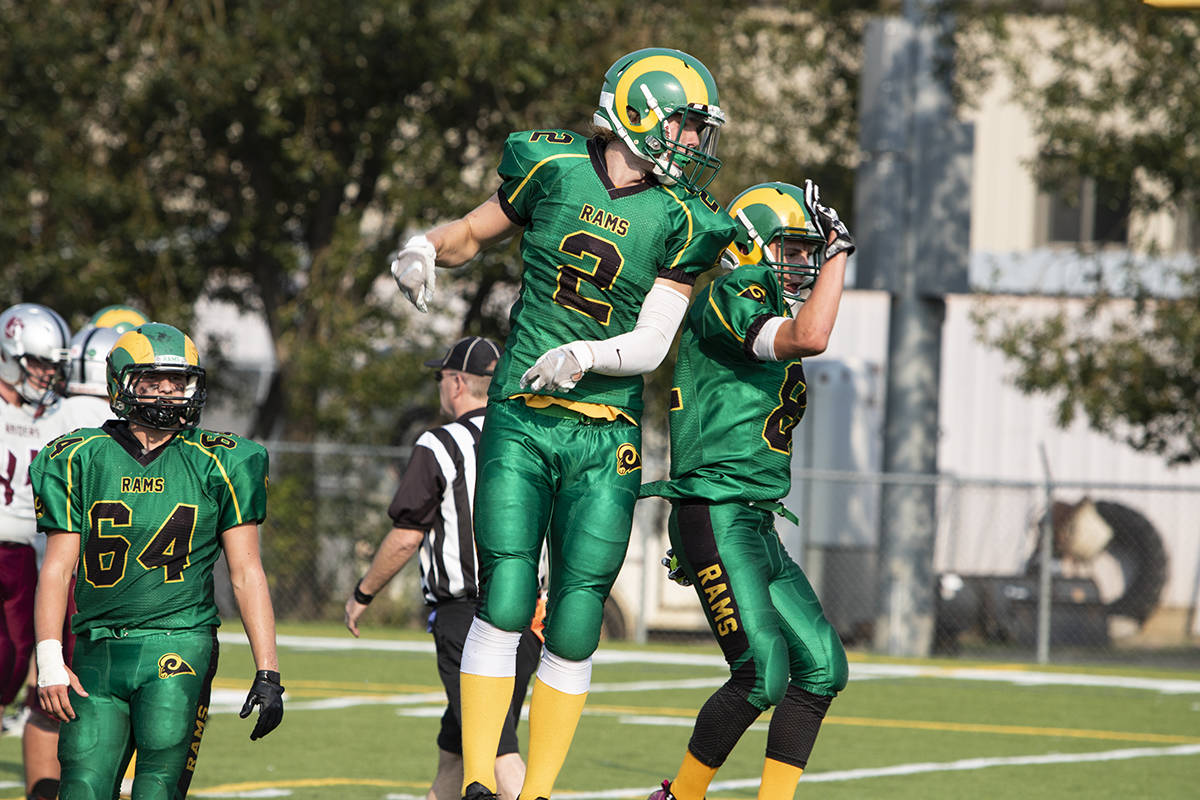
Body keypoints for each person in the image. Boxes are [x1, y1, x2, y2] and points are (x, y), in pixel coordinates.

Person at [389, 47, 737, 800]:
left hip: (605, 428)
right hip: (522, 412)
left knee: (577, 618)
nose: (691, 145)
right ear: (637, 114)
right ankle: (480, 777)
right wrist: (423, 248)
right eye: (682, 127)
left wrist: (583, 353)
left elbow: (651, 343)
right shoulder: (551, 164)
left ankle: (537, 791)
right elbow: (471, 232)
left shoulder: (684, 217)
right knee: (507, 595)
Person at [640, 181, 855, 800]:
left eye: (809, 251)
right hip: (716, 509)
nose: (804, 263)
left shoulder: (763, 301)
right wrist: (841, 252)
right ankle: (678, 796)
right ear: (753, 245)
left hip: (755, 519)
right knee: (761, 673)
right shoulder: (731, 292)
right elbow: (811, 337)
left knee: (821, 666)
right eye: (792, 249)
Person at [30, 322, 285, 799]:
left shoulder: (220, 461)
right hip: (97, 648)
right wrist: (49, 657)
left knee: (156, 788)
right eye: (153, 380)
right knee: (81, 787)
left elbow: (247, 572)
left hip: (179, 642)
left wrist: (267, 670)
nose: (169, 391)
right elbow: (57, 568)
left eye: (180, 381)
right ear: (122, 384)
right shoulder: (78, 457)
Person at [344, 336, 543, 800]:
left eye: (442, 377)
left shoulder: (441, 443)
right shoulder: (526, 438)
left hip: (469, 618)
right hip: (529, 615)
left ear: (456, 383)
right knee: (454, 752)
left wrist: (362, 594)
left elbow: (407, 535)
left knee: (495, 752)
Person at [0, 302, 104, 800]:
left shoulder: (62, 412)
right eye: (37, 363)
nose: (46, 374)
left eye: (52, 365)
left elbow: (103, 403)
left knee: (21, 664)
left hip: (32, 558)